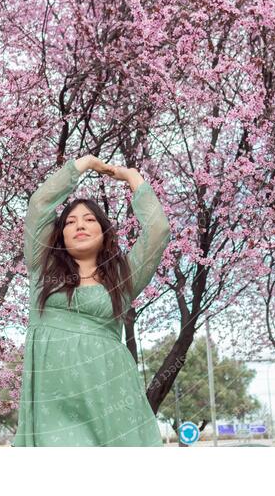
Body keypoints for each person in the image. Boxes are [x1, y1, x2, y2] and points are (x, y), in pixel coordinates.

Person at [12, 154, 171, 446]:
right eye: (70, 222)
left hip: (111, 394)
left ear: (104, 231)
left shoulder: (123, 276)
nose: (79, 225)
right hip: (53, 404)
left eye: (89, 220)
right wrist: (82, 164)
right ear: (60, 235)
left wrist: (132, 177)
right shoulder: (42, 267)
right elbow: (39, 205)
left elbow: (158, 232)